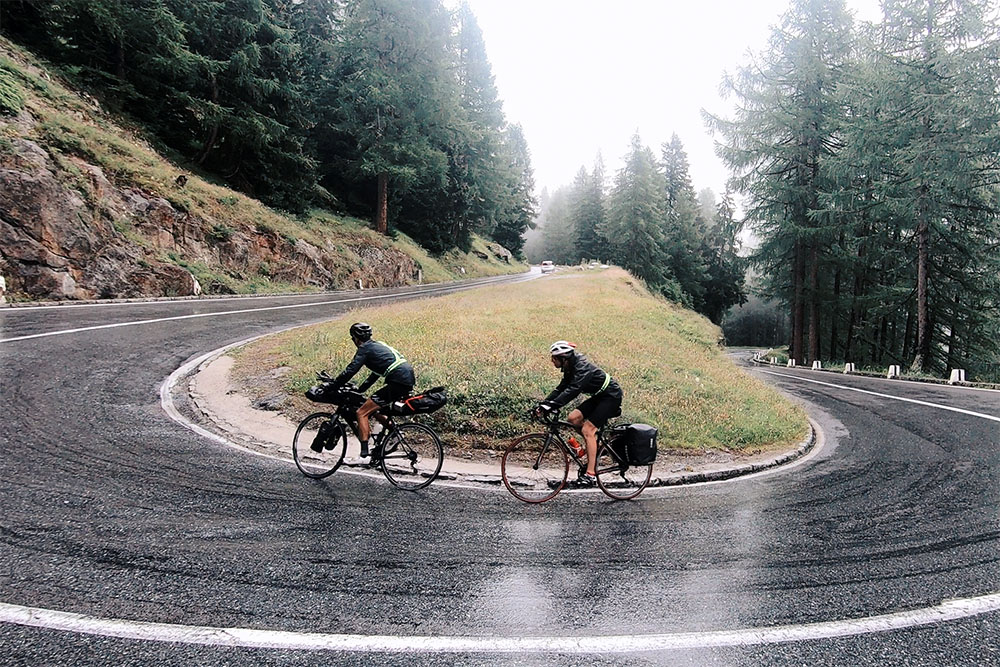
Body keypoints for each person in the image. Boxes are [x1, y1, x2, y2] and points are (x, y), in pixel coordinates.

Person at [536, 340, 623, 487]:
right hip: (599, 396)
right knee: (573, 418)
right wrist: (544, 404)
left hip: (611, 396)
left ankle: (590, 475)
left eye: (554, 358)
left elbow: (573, 390)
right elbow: (561, 389)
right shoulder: (570, 366)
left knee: (588, 429)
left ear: (563, 358)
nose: (552, 361)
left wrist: (552, 406)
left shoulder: (582, 367)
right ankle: (589, 448)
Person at [329, 322, 415, 463]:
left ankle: (364, 455)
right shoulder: (377, 345)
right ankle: (395, 433)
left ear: (356, 338)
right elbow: (375, 374)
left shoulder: (364, 349)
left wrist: (334, 385)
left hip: (398, 380)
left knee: (361, 412)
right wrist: (361, 390)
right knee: (373, 408)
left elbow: (351, 370)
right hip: (405, 376)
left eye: (352, 338)